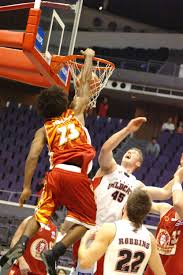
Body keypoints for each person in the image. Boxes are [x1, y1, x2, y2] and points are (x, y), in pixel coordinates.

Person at [0, 48, 98, 275]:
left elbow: (32, 156)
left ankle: (20, 246)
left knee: (40, 215)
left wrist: (26, 187)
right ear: (64, 103)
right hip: (77, 174)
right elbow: (83, 87)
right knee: (87, 221)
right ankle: (54, 253)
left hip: (55, 174)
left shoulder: (43, 130)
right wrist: (90, 58)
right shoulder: (75, 113)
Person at [67, 116, 179, 274]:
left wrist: (180, 173)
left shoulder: (138, 186)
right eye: (128, 151)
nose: (129, 152)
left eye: (133, 153)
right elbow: (106, 150)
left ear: (138, 163)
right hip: (89, 228)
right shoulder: (110, 168)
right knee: (81, 269)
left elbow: (165, 192)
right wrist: (127, 130)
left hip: (110, 235)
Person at [78, 189, 166, 275]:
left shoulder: (110, 229)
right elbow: (161, 273)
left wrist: (85, 239)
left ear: (125, 206)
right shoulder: (150, 238)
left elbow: (85, 263)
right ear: (145, 213)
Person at [145, 165, 183, 275]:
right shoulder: (165, 209)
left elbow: (178, 204)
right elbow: (141, 199)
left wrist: (177, 178)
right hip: (153, 271)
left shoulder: (178, 206)